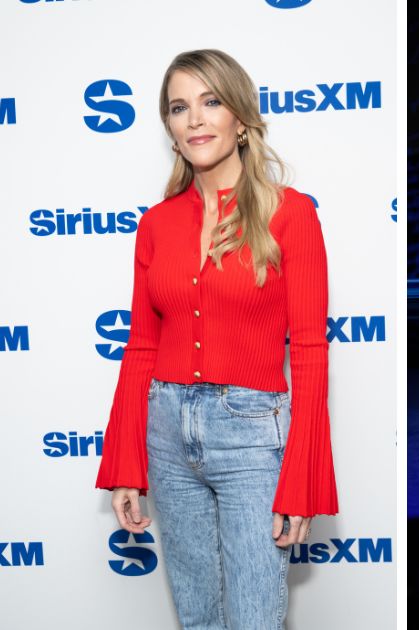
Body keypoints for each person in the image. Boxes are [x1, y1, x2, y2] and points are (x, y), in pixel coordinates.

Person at [95, 49, 338, 628]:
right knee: (198, 618)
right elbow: (141, 348)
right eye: (179, 108)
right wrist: (127, 462)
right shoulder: (156, 223)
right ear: (170, 129)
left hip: (253, 435)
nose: (195, 119)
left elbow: (307, 349)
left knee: (254, 618)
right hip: (166, 433)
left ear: (239, 117)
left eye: (211, 102)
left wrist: (301, 478)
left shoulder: (290, 214)